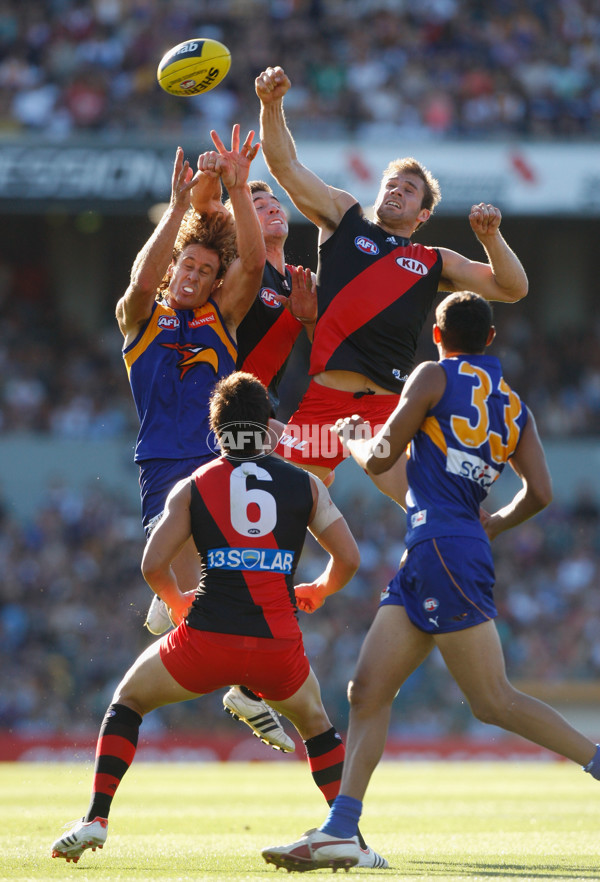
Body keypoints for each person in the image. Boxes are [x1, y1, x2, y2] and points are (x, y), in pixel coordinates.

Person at [261, 292, 600, 872]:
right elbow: (540, 492)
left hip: (440, 545)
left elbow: (381, 454)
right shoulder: (515, 405)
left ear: (437, 335)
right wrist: (494, 521)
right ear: (490, 339)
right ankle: (342, 830)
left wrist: (350, 439)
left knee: (493, 701)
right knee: (367, 690)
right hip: (441, 546)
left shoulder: (433, 375)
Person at [50, 371, 387, 870]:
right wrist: (319, 588)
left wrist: (176, 600)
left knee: (129, 700)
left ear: (217, 431)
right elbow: (350, 560)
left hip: (205, 641)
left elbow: (152, 565)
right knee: (317, 726)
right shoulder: (306, 485)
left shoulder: (194, 485)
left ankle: (96, 817)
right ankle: (350, 836)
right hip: (278, 649)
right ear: (269, 427)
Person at [255, 65, 529, 485]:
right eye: (391, 184)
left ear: (423, 215)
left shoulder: (434, 259)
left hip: (386, 412)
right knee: (288, 499)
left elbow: (512, 288)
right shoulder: (344, 218)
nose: (396, 190)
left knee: (425, 500)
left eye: (409, 189)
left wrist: (491, 239)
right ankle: (338, 552)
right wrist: (271, 105)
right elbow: (285, 165)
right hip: (326, 403)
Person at [116, 126, 294, 751]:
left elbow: (249, 263)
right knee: (194, 605)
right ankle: (221, 682)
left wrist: (240, 191)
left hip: (220, 465)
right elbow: (141, 282)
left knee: (243, 586)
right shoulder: (142, 315)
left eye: (204, 269)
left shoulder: (223, 314)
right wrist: (181, 211)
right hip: (166, 469)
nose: (194, 275)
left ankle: (247, 687)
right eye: (186, 266)